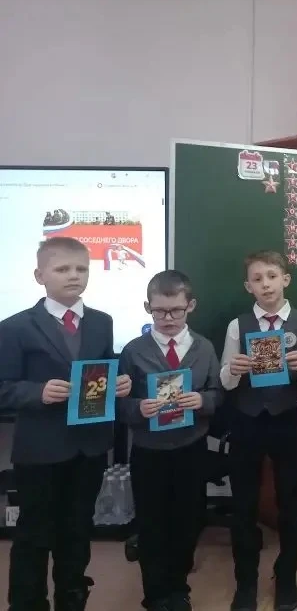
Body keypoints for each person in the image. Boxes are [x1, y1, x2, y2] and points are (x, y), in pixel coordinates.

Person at [0, 237, 130, 611]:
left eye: (81, 269)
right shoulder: (15, 327)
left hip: (88, 446)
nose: (74, 276)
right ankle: (28, 604)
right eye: (62, 269)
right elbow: (3, 387)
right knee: (34, 534)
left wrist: (119, 383)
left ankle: (71, 599)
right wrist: (37, 392)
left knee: (77, 530)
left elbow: (102, 373)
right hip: (40, 450)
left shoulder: (102, 322)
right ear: (39, 275)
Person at [219, 251, 297, 611]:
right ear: (248, 286)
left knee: (290, 502)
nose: (265, 284)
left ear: (285, 280)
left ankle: (287, 575)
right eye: (257, 279)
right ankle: (245, 581)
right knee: (243, 504)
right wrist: (234, 369)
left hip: (286, 420)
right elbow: (225, 381)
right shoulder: (238, 326)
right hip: (246, 421)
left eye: (272, 277)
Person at [118, 269, 223, 611]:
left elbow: (218, 393)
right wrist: (138, 408)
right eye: (159, 311)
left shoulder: (204, 348)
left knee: (189, 521)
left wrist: (203, 400)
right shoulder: (134, 351)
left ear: (190, 305)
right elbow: (118, 403)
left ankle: (178, 588)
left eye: (175, 310)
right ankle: (156, 594)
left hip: (191, 449)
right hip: (149, 452)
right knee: (152, 524)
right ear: (147, 307)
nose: (167, 319)